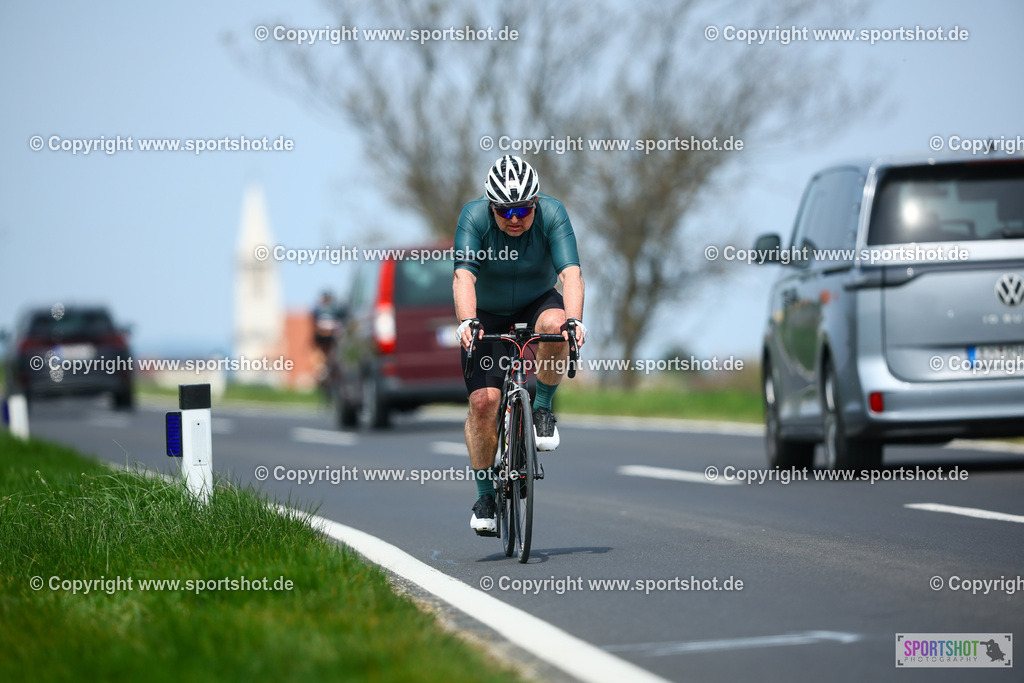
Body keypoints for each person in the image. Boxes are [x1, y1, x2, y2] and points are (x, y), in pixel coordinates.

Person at [453, 155, 587, 536]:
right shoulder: (473, 217)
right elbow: (463, 277)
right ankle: (485, 496)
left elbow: (571, 274)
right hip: (487, 314)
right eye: (505, 211)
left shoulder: (553, 214)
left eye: (524, 209)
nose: (515, 219)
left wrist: (575, 320)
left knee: (557, 327)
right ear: (490, 206)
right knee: (484, 403)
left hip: (536, 302)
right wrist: (468, 321)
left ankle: (542, 408)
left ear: (536, 203)